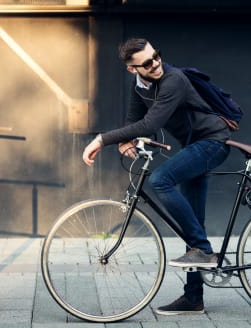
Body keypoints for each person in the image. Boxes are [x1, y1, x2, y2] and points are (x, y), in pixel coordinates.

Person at [82, 37, 231, 315]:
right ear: (132, 69)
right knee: (192, 222)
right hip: (194, 146)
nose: (156, 64)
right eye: (147, 63)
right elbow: (134, 120)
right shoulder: (139, 85)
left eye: (157, 56)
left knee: (161, 179)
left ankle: (202, 249)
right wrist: (127, 140)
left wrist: (103, 139)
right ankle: (193, 298)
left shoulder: (174, 80)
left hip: (213, 142)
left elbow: (152, 123)